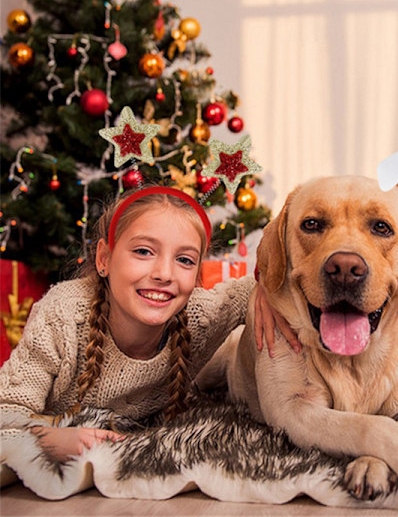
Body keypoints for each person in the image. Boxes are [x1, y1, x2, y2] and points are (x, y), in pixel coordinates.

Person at [0, 186, 291, 471]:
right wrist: (50, 439)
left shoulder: (200, 315)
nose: (164, 274)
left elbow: (259, 283)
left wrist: (265, 287)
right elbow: (5, 415)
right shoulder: (62, 315)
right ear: (104, 259)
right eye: (143, 251)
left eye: (184, 260)